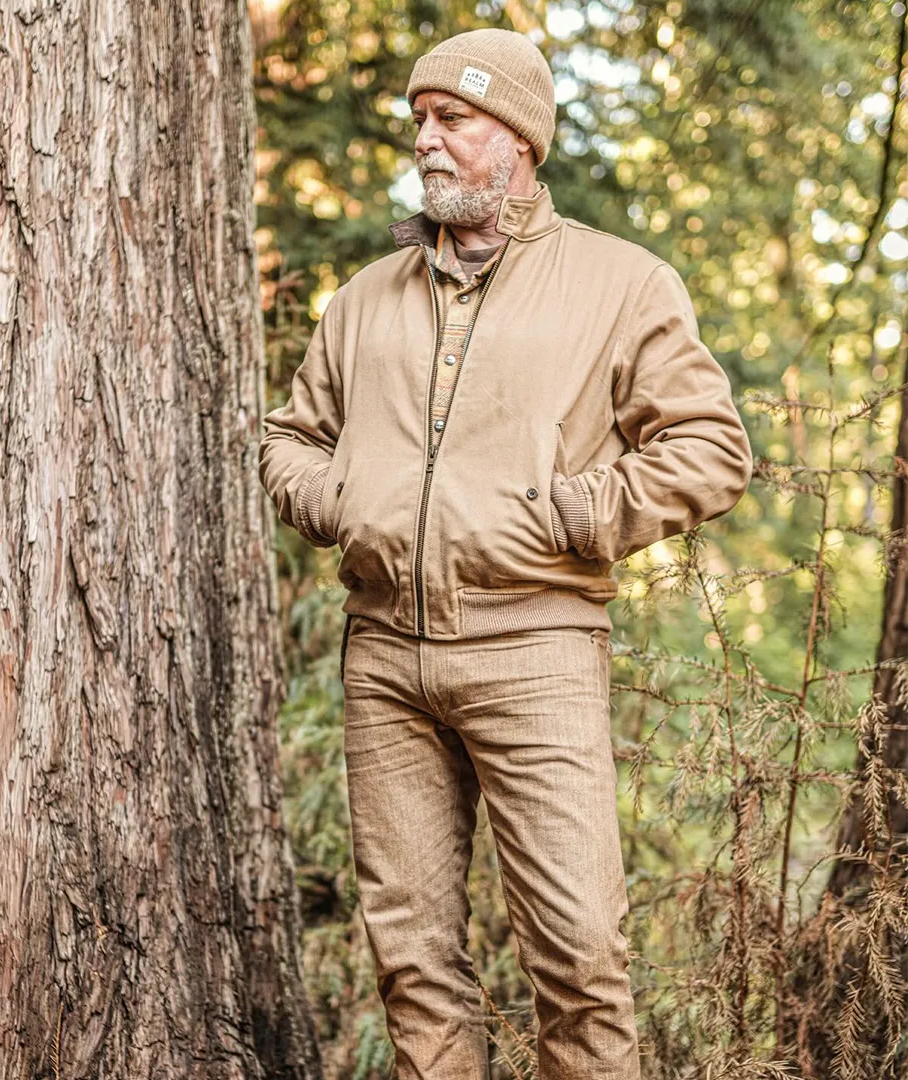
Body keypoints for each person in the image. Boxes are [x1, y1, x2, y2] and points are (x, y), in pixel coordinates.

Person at [258, 26, 752, 1080]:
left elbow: (710, 449)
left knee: (576, 957)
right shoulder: (363, 300)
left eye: (453, 119)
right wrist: (335, 497)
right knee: (412, 961)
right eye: (419, 122)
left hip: (535, 652)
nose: (427, 142)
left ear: (518, 139)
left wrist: (576, 515)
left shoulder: (620, 284)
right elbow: (289, 437)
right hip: (383, 660)